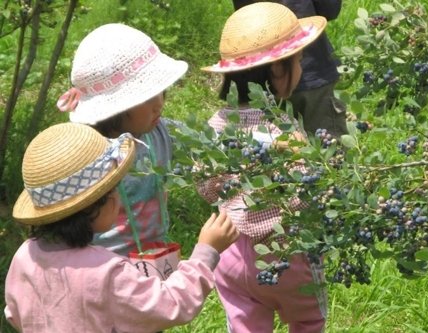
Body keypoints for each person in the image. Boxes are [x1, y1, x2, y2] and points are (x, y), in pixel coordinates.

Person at [4, 122, 239, 333]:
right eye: (113, 189)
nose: (118, 196)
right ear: (93, 205)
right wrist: (205, 252)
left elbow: (14, 314)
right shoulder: (106, 272)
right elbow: (169, 304)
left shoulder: (26, 255)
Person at [199, 3, 328, 332]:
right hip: (287, 258)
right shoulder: (285, 130)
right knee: (307, 320)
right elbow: (304, 194)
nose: (300, 68)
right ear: (277, 71)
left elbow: (205, 185)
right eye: (297, 61)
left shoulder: (217, 125)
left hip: (230, 254)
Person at [57, 23, 187, 257]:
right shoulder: (86, 155)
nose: (160, 103)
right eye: (147, 97)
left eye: (161, 91)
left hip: (155, 255)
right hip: (103, 266)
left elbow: (212, 140)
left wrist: (264, 142)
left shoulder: (160, 133)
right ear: (116, 108)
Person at [232, 0, 348, 139]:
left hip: (258, 70)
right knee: (329, 152)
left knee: (271, 150)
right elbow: (328, 9)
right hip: (312, 70)